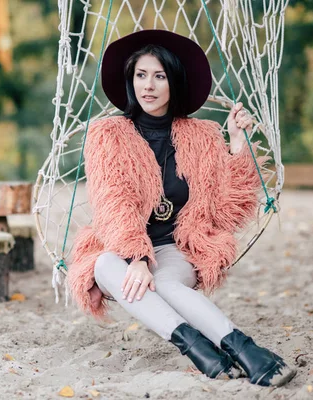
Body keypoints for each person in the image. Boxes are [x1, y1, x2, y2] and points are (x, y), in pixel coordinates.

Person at [67, 30, 296, 387]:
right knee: (103, 264)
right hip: (124, 248)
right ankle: (202, 349)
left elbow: (225, 210)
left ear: (174, 82)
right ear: (131, 81)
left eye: (159, 76)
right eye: (141, 75)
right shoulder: (107, 134)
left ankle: (236, 350)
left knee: (167, 286)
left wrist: (236, 143)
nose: (148, 86)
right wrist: (137, 258)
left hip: (178, 248)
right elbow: (115, 200)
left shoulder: (202, 135)